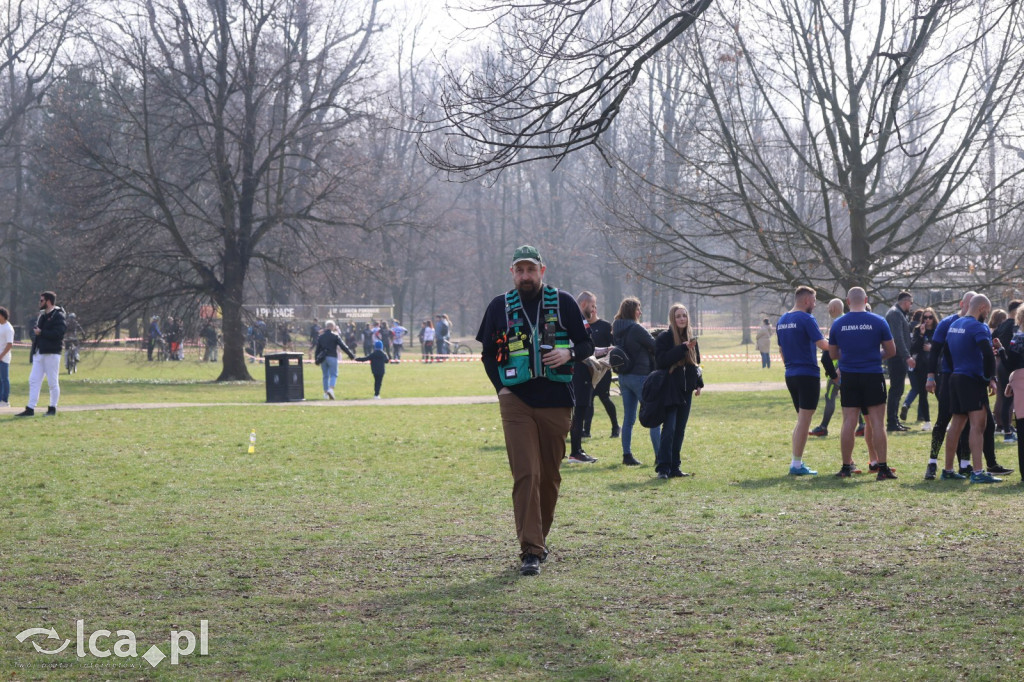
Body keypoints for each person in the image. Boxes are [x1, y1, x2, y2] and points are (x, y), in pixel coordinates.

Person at [476, 244, 594, 577]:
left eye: (531, 270)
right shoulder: (499, 306)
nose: (525, 276)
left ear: (543, 271)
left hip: (557, 399)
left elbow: (586, 344)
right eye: (520, 270)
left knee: (549, 477)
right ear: (511, 273)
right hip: (516, 400)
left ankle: (539, 539)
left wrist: (569, 353)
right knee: (526, 473)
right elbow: (487, 353)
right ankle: (530, 549)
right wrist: (500, 389)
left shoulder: (565, 302)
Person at [828, 287, 897, 479]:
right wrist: (875, 356)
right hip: (872, 375)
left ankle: (845, 466)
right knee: (877, 423)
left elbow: (833, 354)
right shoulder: (878, 321)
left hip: (849, 376)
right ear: (865, 300)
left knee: (848, 423)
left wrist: (850, 357)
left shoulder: (838, 324)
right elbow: (891, 351)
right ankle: (882, 468)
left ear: (848, 301)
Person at [942, 294, 1003, 483]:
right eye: (988, 310)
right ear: (982, 307)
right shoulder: (979, 326)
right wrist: (990, 378)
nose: (988, 314)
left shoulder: (954, 325)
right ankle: (977, 472)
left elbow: (946, 351)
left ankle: (948, 469)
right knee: (978, 425)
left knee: (957, 424)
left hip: (956, 377)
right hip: (972, 380)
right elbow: (987, 353)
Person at [776, 286, 836, 476]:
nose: (815, 304)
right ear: (806, 301)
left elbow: (781, 350)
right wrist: (842, 343)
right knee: (804, 421)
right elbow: (823, 345)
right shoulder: (806, 318)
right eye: (814, 300)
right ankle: (796, 464)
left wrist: (790, 367)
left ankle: (796, 461)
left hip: (790, 374)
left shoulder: (782, 320)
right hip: (807, 374)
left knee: (801, 420)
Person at [653, 303, 703, 479]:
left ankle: (675, 467)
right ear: (673, 319)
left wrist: (699, 383)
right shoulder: (664, 338)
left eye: (684, 315)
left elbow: (696, 363)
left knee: (680, 430)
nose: (682, 319)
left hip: (686, 390)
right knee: (669, 429)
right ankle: (663, 468)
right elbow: (661, 361)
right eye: (678, 316)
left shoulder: (691, 338)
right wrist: (682, 348)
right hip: (669, 390)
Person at [611, 297, 658, 467]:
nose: (640, 312)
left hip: (624, 377)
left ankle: (627, 454)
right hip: (640, 376)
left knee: (628, 418)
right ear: (632, 311)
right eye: (638, 309)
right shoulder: (636, 328)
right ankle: (659, 456)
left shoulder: (616, 328)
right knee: (653, 414)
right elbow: (654, 345)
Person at [16, 291, 67, 417]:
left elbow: (58, 334)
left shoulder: (58, 316)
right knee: (33, 380)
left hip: (51, 353)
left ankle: (52, 408)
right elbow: (36, 332)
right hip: (39, 353)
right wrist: (35, 335)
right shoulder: (42, 316)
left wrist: (41, 332)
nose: (40, 303)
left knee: (52, 382)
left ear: (48, 301)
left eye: (41, 300)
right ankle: (30, 408)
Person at [581, 295, 619, 439]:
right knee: (588, 400)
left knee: (605, 398)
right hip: (588, 369)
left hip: (602, 369)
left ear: (595, 309)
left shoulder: (605, 326)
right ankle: (587, 430)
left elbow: (613, 345)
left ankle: (615, 427)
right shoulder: (583, 326)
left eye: (593, 307)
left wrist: (608, 360)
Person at [568, 292, 600, 463]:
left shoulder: (580, 320)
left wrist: (604, 351)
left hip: (580, 369)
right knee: (578, 412)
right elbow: (579, 349)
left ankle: (577, 449)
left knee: (579, 412)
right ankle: (575, 452)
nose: (594, 310)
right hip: (578, 371)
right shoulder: (578, 321)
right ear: (584, 304)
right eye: (593, 306)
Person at [885, 291, 915, 432]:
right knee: (896, 389)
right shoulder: (896, 314)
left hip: (898, 356)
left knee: (898, 389)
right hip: (897, 357)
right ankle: (892, 422)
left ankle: (894, 420)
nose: (911, 305)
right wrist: (906, 356)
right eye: (911, 302)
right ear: (905, 301)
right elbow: (898, 338)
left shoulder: (898, 313)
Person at [902, 307, 936, 431]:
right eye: (925, 317)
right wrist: (921, 334)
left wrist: (932, 348)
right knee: (923, 394)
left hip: (936, 365)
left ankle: (945, 419)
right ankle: (927, 421)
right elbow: (913, 348)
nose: (927, 320)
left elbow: (944, 347)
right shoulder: (918, 330)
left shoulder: (937, 330)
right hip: (922, 366)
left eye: (930, 317)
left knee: (940, 393)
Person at [1001, 304, 1024, 480]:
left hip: (1021, 382)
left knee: (1022, 429)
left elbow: (1009, 364)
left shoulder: (1018, 339)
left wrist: (1001, 351)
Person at [993, 300, 1021, 442]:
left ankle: (1002, 427)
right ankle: (1007, 430)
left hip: (1001, 363)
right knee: (1009, 399)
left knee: (1002, 397)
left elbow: (993, 339)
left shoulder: (1002, 325)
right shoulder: (1015, 327)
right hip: (1011, 364)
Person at [315, 320, 355, 400]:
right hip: (332, 356)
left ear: (326, 327)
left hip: (323, 358)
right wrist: (351, 355)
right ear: (333, 327)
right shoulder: (335, 336)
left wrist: (316, 359)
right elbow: (343, 346)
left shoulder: (321, 337)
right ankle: (331, 389)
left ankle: (325, 394)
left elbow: (317, 349)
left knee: (325, 376)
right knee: (333, 374)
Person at [0, 306, 13, 407]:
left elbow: (9, 344)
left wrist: (1, 355)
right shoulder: (0, 326)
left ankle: (5, 400)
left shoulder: (8, 328)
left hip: (3, 358)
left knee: (4, 379)